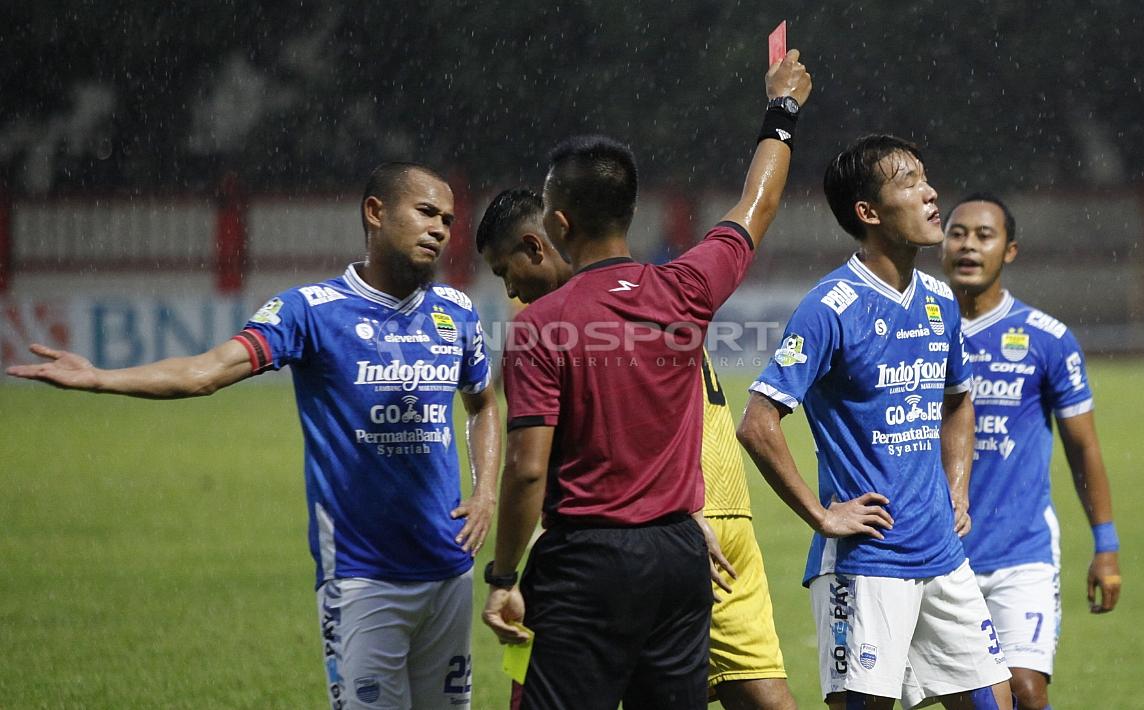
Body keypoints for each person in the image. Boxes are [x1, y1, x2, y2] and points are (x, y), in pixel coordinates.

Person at [6, 162, 501, 710]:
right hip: (363, 580)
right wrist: (101, 377)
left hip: (450, 570)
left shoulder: (455, 312)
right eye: (426, 212)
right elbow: (206, 372)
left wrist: (484, 492)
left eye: (448, 220)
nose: (439, 228)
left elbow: (482, 404)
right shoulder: (309, 311)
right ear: (376, 212)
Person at [479, 50, 811, 710]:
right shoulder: (685, 288)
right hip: (681, 555)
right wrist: (782, 111)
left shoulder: (541, 325)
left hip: (588, 559)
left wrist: (505, 572)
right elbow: (759, 201)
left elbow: (525, 471)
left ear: (560, 224)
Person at [737, 135, 1014, 709]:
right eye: (909, 183)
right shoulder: (830, 307)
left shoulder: (939, 301)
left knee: (996, 702)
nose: (930, 192)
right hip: (867, 564)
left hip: (942, 553)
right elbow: (757, 422)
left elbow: (959, 400)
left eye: (925, 177)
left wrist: (956, 489)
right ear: (868, 213)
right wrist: (820, 515)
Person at [940, 193, 1121, 710]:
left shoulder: (1048, 340)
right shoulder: (920, 333)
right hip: (941, 553)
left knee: (1024, 689)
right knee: (970, 700)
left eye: (984, 235)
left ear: (1010, 251)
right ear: (941, 244)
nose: (969, 245)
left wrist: (1105, 545)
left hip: (1023, 551)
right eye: (957, 233)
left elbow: (1083, 448)